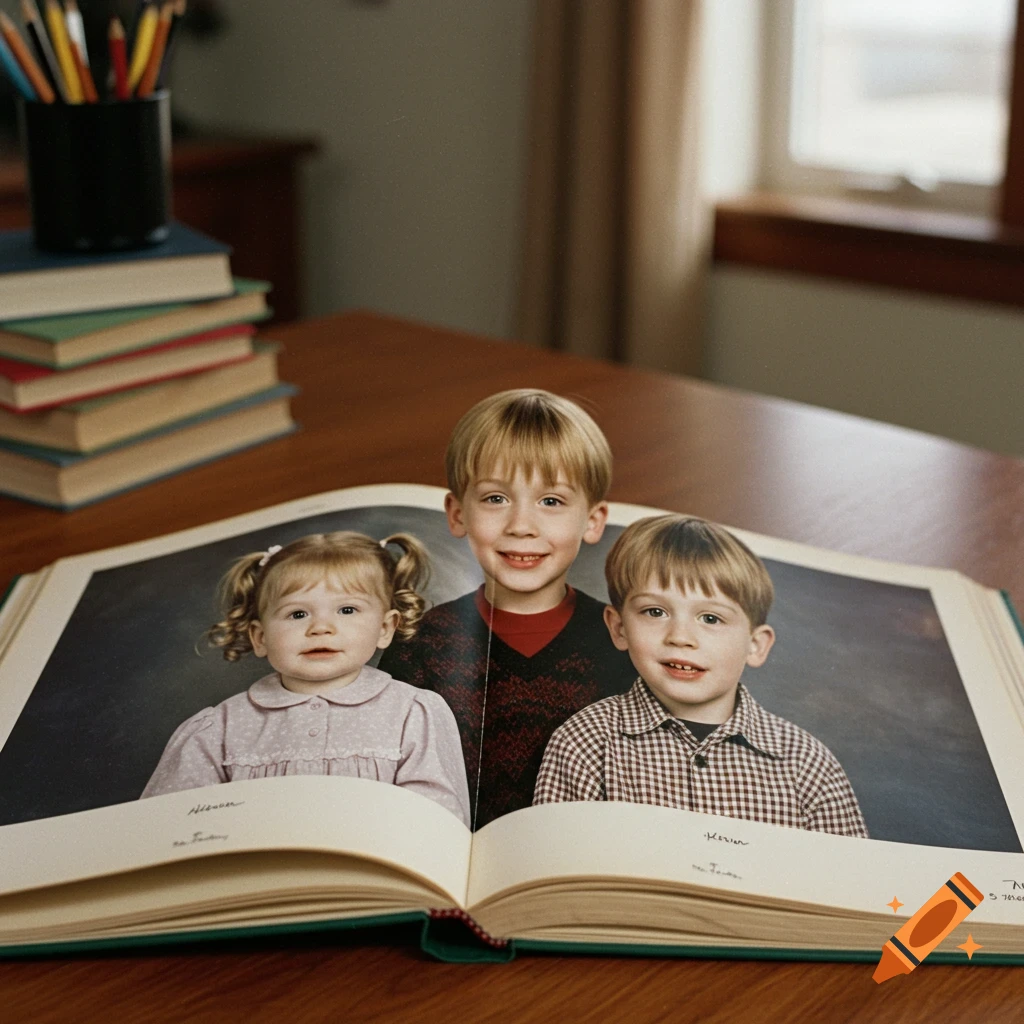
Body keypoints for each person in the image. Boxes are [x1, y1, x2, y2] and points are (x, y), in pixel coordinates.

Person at [378, 389, 635, 829]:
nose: (521, 526)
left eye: (551, 501)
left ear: (592, 521)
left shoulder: (624, 646)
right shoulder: (419, 645)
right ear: (458, 514)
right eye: (496, 499)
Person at [534, 514, 868, 838]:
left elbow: (852, 885)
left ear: (755, 645)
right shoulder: (584, 742)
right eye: (655, 612)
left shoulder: (806, 764)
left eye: (710, 618)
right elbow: (551, 875)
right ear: (619, 628)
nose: (681, 637)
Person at [142, 531, 470, 826]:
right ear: (260, 637)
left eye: (347, 610)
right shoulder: (220, 729)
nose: (320, 627)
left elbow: (436, 820)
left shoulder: (412, 713)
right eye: (298, 614)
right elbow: (168, 827)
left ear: (385, 628)